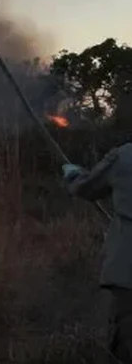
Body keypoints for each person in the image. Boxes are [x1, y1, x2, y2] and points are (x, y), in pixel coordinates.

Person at [63, 142, 132, 362]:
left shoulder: (124, 157)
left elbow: (87, 187)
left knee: (125, 345)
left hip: (127, 275)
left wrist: (73, 175)